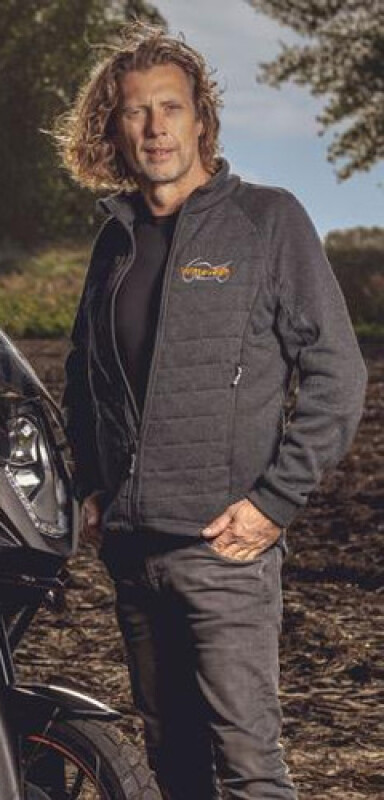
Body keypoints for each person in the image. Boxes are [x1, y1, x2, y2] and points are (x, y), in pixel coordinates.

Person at [55, 24, 367, 800]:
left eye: (171, 108)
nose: (155, 128)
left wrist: (273, 503)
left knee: (250, 769)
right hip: (134, 549)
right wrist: (90, 481)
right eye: (137, 111)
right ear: (115, 128)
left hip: (222, 551)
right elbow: (83, 377)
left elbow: (337, 374)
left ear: (202, 120)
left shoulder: (267, 222)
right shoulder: (116, 241)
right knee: (174, 764)